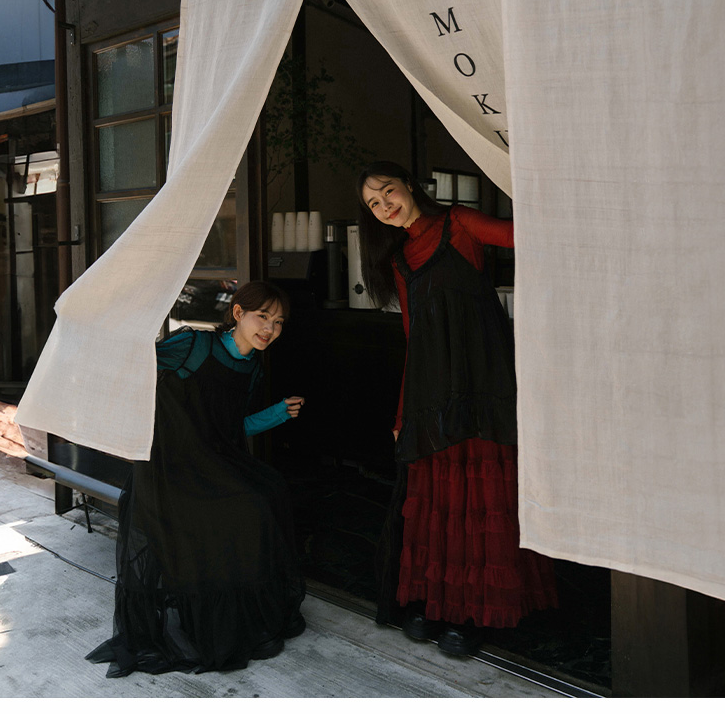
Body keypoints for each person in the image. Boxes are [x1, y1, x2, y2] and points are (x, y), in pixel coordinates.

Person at [356, 161, 558, 657]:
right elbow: (414, 340)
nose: (384, 206)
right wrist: (403, 413)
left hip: (484, 380)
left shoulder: (459, 224)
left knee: (482, 494)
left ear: (409, 185)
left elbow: (527, 236)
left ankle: (477, 613)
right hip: (432, 391)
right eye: (373, 203)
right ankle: (440, 603)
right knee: (440, 501)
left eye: (388, 191)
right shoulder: (399, 259)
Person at [87, 280, 306, 676]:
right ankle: (212, 623)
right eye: (262, 317)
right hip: (169, 466)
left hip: (212, 460)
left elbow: (231, 427)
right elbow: (134, 369)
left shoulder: (252, 366)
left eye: (278, 322)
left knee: (268, 493)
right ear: (238, 313)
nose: (269, 329)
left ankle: (241, 618)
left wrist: (277, 414)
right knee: (245, 505)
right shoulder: (194, 345)